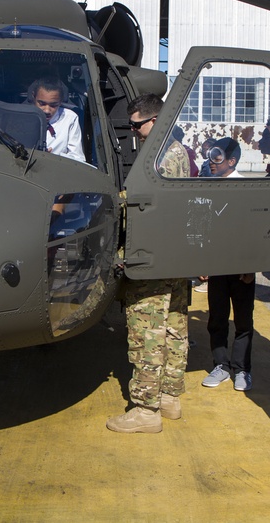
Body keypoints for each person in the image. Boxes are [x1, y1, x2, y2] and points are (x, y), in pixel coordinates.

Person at [106, 94, 189, 433]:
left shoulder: (158, 158)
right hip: (175, 256)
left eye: (137, 125)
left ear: (155, 120)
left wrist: (112, 201)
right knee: (173, 328)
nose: (134, 131)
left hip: (151, 255)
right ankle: (169, 397)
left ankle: (145, 410)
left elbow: (147, 204)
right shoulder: (178, 151)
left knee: (147, 333)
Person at [198, 138, 255, 392]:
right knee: (217, 318)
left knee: (243, 321)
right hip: (217, 265)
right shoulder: (207, 186)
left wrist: (249, 266)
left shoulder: (245, 186)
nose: (211, 161)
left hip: (241, 268)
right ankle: (221, 364)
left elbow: (251, 230)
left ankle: (242, 369)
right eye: (210, 155)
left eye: (217, 157)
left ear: (231, 161)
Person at [27, 76, 85, 163]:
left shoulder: (70, 119)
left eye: (53, 105)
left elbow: (78, 158)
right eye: (42, 103)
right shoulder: (20, 117)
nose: (47, 110)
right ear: (33, 97)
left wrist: (54, 157)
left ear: (61, 101)